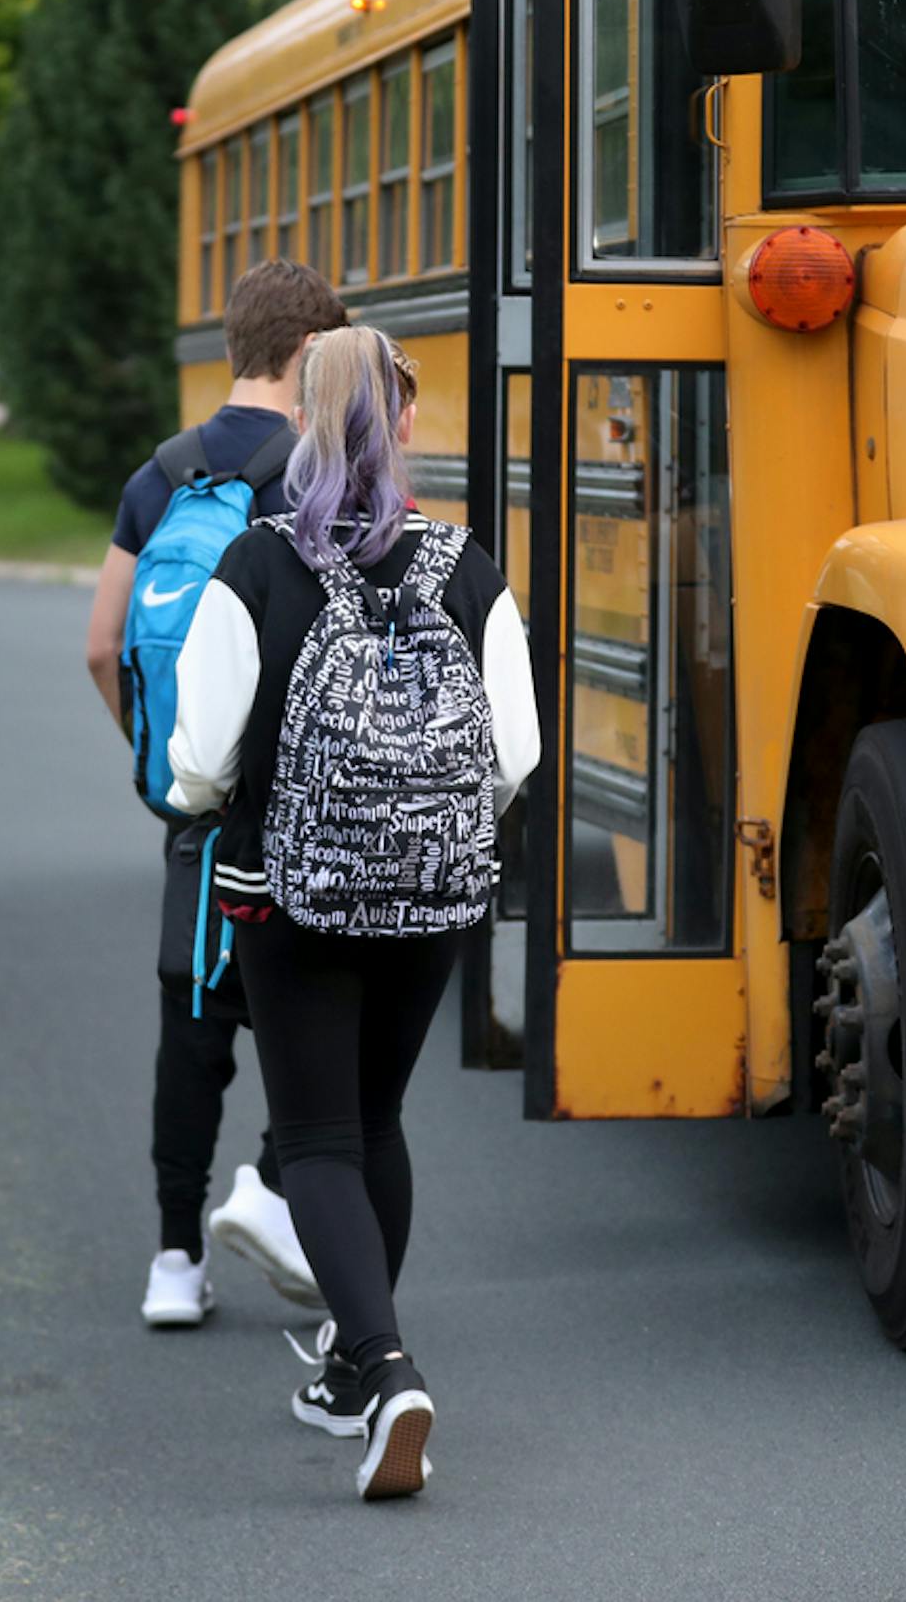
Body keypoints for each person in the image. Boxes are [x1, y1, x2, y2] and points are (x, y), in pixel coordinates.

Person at [167, 326, 540, 1500]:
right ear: (407, 424)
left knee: (317, 1137)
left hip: (289, 895)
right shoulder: (467, 567)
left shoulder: (256, 565)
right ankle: (344, 1375)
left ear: (305, 426)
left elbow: (199, 759)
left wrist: (212, 800)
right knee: (378, 1121)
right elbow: (516, 752)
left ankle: (383, 1372)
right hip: (431, 898)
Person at [84, 258, 350, 1327]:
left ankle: (174, 1259)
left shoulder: (161, 474)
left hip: (198, 815)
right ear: (309, 354)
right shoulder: (322, 472)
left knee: (192, 1033)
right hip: (302, 815)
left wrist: (163, 758)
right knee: (317, 1029)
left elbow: (103, 646)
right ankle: (286, 1202)